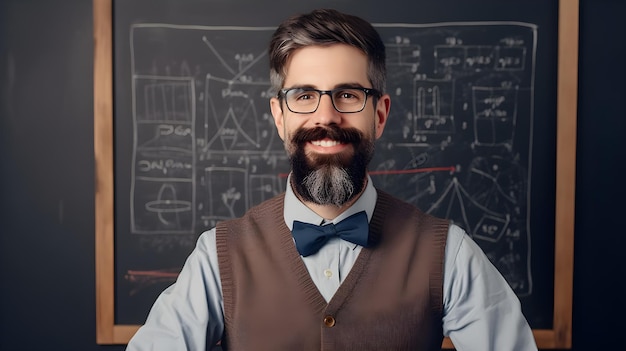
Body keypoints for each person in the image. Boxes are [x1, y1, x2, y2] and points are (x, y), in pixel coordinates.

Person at [126, 8, 537, 351]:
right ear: (279, 116)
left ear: (379, 114)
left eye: (348, 95)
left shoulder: (448, 253)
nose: (326, 117)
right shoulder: (218, 257)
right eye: (304, 95)